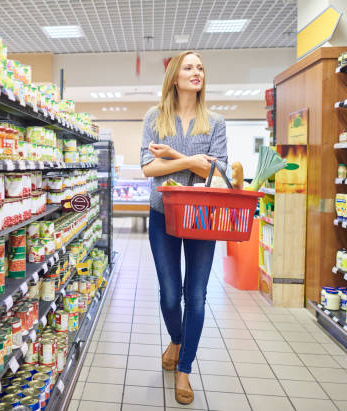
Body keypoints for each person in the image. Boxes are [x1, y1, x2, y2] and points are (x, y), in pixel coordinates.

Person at [139, 50, 227, 405]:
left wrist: (175, 157)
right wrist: (191, 160)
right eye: (189, 67)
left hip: (202, 217)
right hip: (163, 214)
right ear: (174, 76)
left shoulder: (215, 122)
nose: (197, 72)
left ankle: (185, 369)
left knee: (197, 296)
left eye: (201, 68)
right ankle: (176, 340)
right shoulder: (154, 117)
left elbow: (217, 173)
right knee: (169, 294)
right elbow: (147, 167)